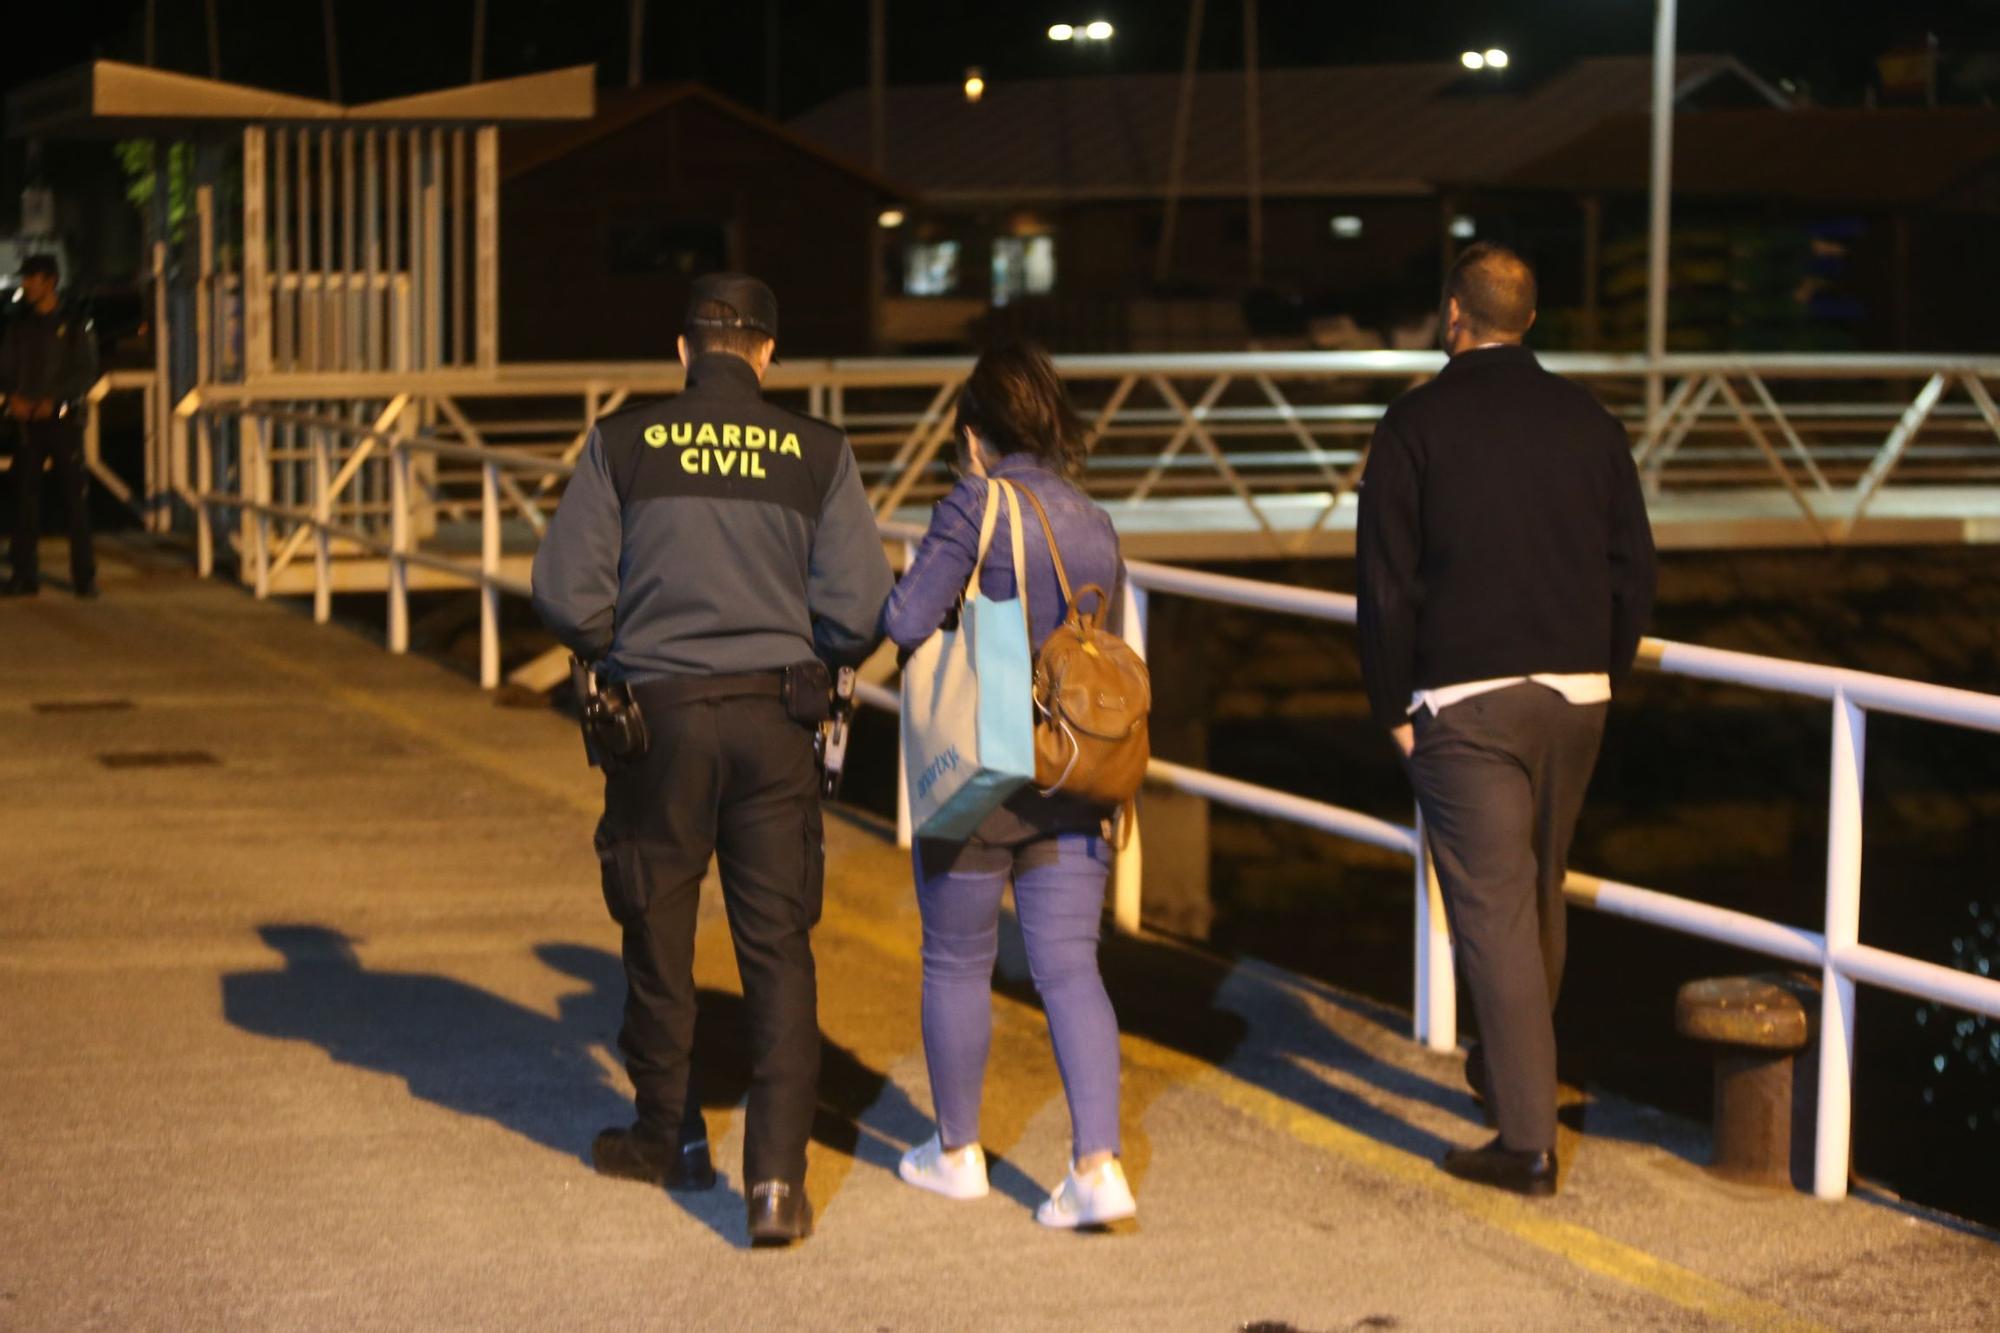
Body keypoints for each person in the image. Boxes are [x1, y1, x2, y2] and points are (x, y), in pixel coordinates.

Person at [531, 272, 893, 1246]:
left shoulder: (622, 443)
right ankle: (774, 1182)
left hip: (660, 721)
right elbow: (859, 612)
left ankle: (668, 1136)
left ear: (684, 349)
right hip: (778, 722)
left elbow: (566, 595)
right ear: (768, 353)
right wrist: (799, 642)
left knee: (658, 925)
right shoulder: (817, 452)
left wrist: (627, 641)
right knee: (776, 946)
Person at [1356, 242, 1657, 1197]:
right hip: (1578, 697)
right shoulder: (1592, 423)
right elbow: (1635, 569)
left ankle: (1527, 1142)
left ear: (1455, 315)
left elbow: (1385, 587)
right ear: (1529, 319)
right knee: (1538, 893)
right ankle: (1509, 1065)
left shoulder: (1414, 426)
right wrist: (1601, 671)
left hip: (1465, 704)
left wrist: (1391, 707)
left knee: (1492, 913)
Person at [882, 342, 1137, 1229]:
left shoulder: (974, 502)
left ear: (974, 432)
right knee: (1071, 967)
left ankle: (956, 1153)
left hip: (982, 766)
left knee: (957, 958)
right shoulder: (1094, 518)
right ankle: (1097, 1167)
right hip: (1074, 768)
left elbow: (906, 619)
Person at [2, 254, 100, 598]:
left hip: (63, 423)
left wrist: (56, 402)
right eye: (26, 278)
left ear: (51, 281)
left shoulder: (75, 323)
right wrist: (12, 398)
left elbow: (85, 371)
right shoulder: (18, 324)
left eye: (33, 278)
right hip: (26, 424)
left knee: (75, 500)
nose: (26, 284)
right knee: (23, 498)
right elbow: (6, 367)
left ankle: (84, 577)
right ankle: (24, 574)